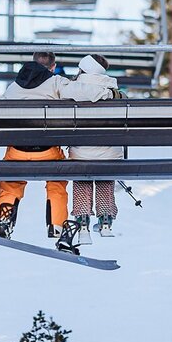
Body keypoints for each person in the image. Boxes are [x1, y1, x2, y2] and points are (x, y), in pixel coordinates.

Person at [0, 56, 80, 253]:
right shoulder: (57, 82)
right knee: (57, 184)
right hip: (47, 151)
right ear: (53, 67)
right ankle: (57, 226)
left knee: (11, 184)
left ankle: (2, 221)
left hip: (17, 151)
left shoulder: (13, 87)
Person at [61, 54, 123, 238]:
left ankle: (82, 223)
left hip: (80, 153)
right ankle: (105, 221)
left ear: (83, 69)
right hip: (110, 154)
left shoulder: (71, 88)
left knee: (82, 179)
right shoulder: (113, 89)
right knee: (105, 178)